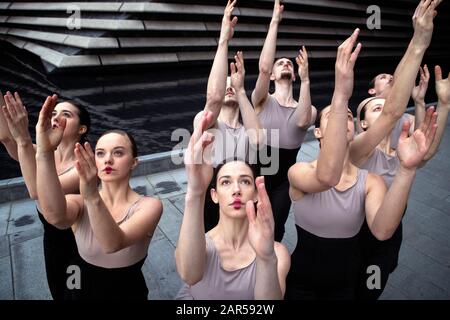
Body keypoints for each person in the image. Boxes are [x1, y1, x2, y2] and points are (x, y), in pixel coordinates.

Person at [285, 28, 437, 300]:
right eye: (332, 115)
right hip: (301, 282)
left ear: (356, 130)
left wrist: (418, 41)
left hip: (346, 282)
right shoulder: (299, 172)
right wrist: (340, 95)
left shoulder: (371, 182)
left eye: (347, 117)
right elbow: (327, 177)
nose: (342, 117)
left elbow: (381, 231)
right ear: (318, 132)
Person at [349, 0, 443, 300]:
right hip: (356, 229)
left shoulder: (401, 139)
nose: (384, 109)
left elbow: (425, 152)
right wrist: (418, 41)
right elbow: (390, 110)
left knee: (375, 281)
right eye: (374, 107)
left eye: (392, 78)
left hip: (391, 226)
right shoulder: (357, 149)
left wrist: (444, 104)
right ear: (363, 122)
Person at [34, 96, 162, 299]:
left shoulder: (149, 206)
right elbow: (54, 215)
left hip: (127, 293)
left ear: (134, 162)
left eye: (118, 153)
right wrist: (44, 152)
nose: (108, 159)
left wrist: (92, 194)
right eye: (100, 153)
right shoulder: (79, 202)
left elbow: (113, 243)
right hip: (79, 289)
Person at [175, 111, 290, 300]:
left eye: (245, 181)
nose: (236, 189)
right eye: (226, 182)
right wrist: (195, 192)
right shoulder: (198, 245)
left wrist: (265, 257)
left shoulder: (276, 253)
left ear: (255, 193)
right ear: (214, 195)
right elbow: (189, 275)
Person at [1, 92, 90, 300]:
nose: (56, 117)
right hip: (53, 240)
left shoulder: (84, 164)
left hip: (78, 245)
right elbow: (7, 137)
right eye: (54, 113)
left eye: (66, 114)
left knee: (76, 294)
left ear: (82, 129)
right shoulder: (45, 154)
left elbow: (37, 192)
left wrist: (24, 139)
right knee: (58, 291)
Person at [193, 0, 264, 232]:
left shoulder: (247, 127)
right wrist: (223, 40)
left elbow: (258, 140)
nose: (229, 88)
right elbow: (213, 98)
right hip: (214, 193)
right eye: (226, 85)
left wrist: (241, 89)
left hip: (243, 190)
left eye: (231, 85)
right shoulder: (207, 123)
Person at [251, 0, 317, 241]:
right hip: (256, 170)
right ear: (273, 76)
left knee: (274, 228)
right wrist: (274, 22)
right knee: (248, 222)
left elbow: (301, 122)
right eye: (281, 63)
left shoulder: (309, 109)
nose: (286, 63)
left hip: (282, 180)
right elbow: (263, 68)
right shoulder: (262, 101)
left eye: (289, 62)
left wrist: (307, 80)